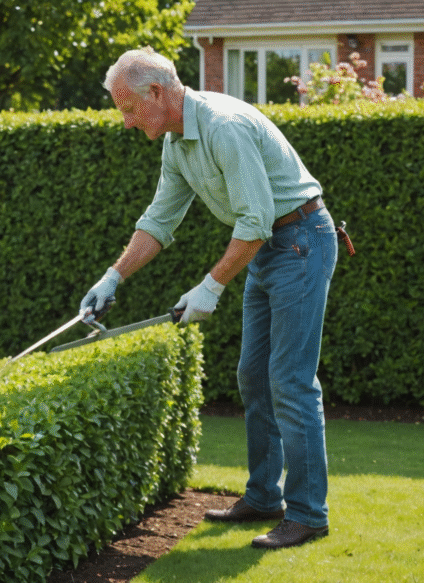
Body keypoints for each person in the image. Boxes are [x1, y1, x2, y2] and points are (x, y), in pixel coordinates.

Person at [80, 46, 338, 550]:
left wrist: (211, 285)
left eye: (129, 110)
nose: (128, 124)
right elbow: (158, 222)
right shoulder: (177, 144)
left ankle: (309, 514)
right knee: (252, 375)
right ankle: (264, 497)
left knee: (290, 381)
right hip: (267, 250)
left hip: (300, 241)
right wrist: (113, 276)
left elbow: (257, 220)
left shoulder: (221, 126)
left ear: (156, 92)